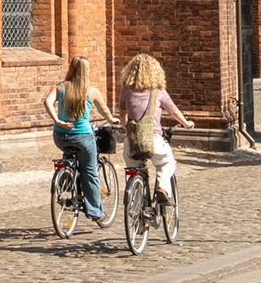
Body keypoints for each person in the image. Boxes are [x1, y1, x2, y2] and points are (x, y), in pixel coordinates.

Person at [45, 55, 115, 228]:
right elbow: (104, 110)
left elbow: (46, 102)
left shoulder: (61, 87)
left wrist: (58, 121)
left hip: (60, 137)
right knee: (90, 172)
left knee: (70, 157)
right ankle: (95, 212)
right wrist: (113, 120)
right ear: (86, 72)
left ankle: (66, 177)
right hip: (83, 137)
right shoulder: (92, 91)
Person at [120, 53, 195, 206]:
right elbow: (173, 111)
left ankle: (135, 207)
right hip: (153, 139)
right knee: (167, 163)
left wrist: (126, 128)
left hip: (132, 141)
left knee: (133, 170)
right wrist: (186, 124)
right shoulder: (158, 91)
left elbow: (122, 113)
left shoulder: (126, 90)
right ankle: (162, 187)